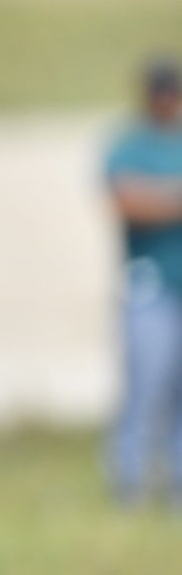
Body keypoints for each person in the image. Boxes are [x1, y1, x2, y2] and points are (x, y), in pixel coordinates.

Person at [103, 56, 182, 503]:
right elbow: (128, 202)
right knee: (145, 387)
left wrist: (161, 196)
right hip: (149, 287)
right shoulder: (129, 145)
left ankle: (177, 486)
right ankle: (129, 481)